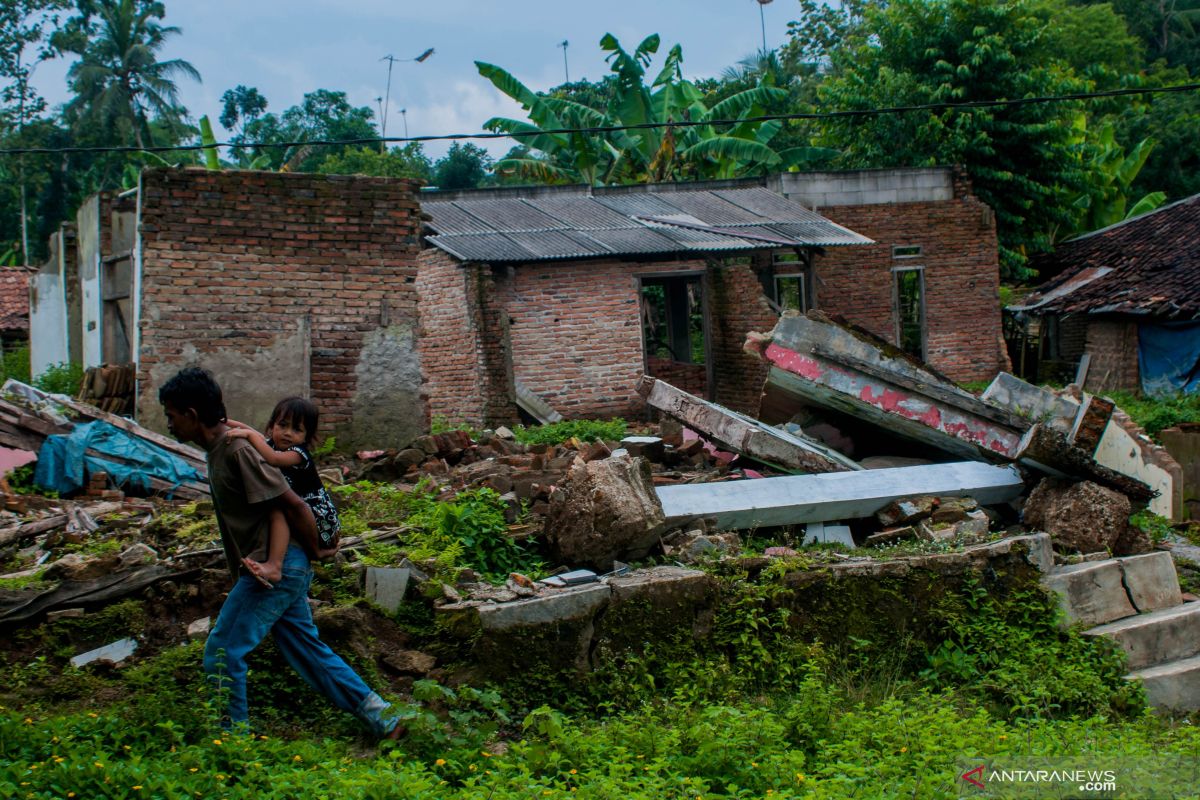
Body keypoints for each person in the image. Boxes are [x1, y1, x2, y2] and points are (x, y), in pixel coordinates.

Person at [158, 367, 402, 739]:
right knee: (306, 649)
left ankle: (231, 746)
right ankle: (385, 718)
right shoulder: (222, 446)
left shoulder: (238, 450)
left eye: (171, 415)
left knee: (222, 651)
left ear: (191, 415)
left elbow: (290, 506)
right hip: (280, 566)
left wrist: (317, 550)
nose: (169, 424)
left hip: (277, 568)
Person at [225, 397, 341, 586]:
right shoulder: (272, 444)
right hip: (305, 512)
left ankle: (276, 565)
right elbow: (250, 430)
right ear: (272, 426)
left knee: (277, 510)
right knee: (279, 505)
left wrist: (248, 436)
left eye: (297, 429)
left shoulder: (298, 453)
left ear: (306, 437)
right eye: (282, 425)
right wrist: (224, 423)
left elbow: (273, 459)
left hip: (320, 519)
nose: (287, 433)